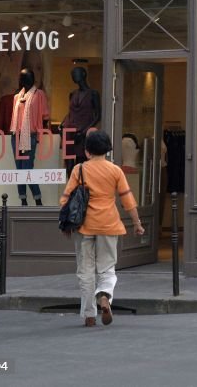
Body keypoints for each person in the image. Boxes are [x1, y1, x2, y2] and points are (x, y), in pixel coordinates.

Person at [59, 130, 145, 327]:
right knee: (107, 268)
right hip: (109, 224)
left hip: (84, 226)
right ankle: (104, 295)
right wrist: (137, 223)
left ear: (87, 151)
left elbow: (65, 199)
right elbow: (127, 199)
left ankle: (89, 314)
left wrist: (65, 223)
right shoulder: (115, 171)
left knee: (85, 270)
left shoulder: (79, 170)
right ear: (107, 150)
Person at [10, 68, 49, 206]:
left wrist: (41, 135)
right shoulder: (16, 97)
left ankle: (38, 199)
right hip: (16, 135)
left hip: (30, 135)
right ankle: (23, 200)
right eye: (24, 77)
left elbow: (45, 117)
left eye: (29, 77)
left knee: (27, 169)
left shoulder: (39, 95)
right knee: (19, 170)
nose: (27, 79)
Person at [61, 67, 101, 176]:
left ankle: (81, 191)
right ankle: (72, 190)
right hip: (69, 131)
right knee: (69, 165)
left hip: (82, 134)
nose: (73, 76)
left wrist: (84, 132)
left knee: (81, 164)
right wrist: (63, 123)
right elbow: (70, 112)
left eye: (76, 73)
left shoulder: (93, 94)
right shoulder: (72, 94)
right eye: (72, 74)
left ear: (84, 74)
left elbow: (97, 116)